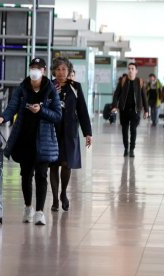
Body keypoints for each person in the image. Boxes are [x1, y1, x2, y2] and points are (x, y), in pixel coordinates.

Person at [0, 57, 62, 226]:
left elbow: (57, 115)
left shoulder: (50, 90)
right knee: (25, 176)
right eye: (32, 67)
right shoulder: (23, 88)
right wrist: (3, 117)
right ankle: (28, 207)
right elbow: (12, 106)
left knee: (41, 175)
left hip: (44, 140)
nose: (34, 70)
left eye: (38, 68)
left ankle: (39, 212)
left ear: (44, 71)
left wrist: (41, 110)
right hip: (25, 138)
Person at [49, 57, 92, 212]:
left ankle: (63, 193)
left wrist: (88, 132)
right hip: (52, 130)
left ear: (69, 71)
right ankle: (54, 199)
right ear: (54, 71)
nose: (61, 73)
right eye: (58, 69)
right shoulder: (49, 86)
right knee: (53, 164)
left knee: (67, 164)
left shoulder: (75, 87)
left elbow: (82, 111)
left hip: (70, 131)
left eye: (64, 69)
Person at [111, 62, 149, 157]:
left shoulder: (140, 82)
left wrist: (146, 110)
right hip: (124, 110)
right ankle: (126, 148)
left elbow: (144, 97)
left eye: (132, 68)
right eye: (129, 68)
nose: (130, 70)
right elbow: (116, 94)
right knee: (124, 130)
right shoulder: (123, 81)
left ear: (136, 71)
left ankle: (132, 149)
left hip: (136, 110)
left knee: (133, 129)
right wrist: (114, 106)